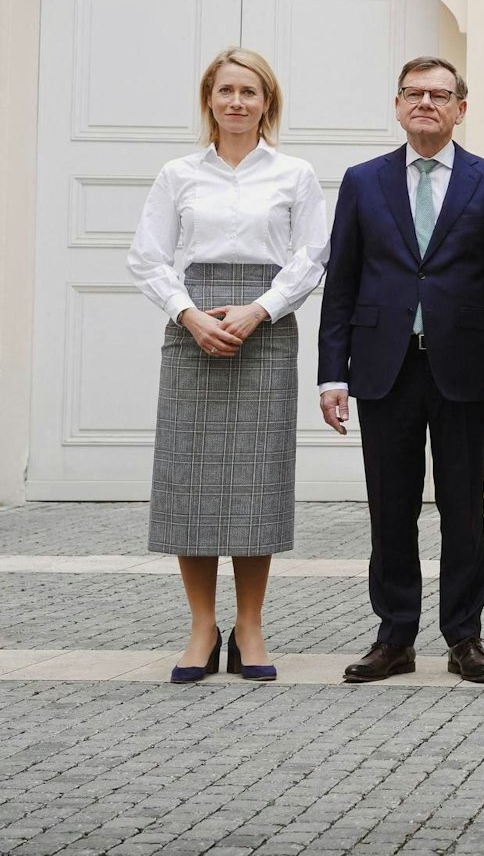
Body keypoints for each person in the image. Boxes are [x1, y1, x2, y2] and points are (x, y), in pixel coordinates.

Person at [128, 47, 327, 683]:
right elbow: (148, 257)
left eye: (250, 92)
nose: (237, 102)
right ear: (208, 100)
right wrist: (189, 313)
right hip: (193, 328)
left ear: (267, 103)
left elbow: (311, 257)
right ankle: (199, 628)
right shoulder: (178, 174)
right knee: (191, 478)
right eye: (226, 91)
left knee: (255, 477)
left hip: (264, 331)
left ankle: (249, 627)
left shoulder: (294, 174)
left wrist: (259, 310)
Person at [318, 56, 484, 685]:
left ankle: (465, 637)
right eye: (414, 94)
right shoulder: (363, 180)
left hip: (464, 369)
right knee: (391, 508)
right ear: (398, 105)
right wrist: (332, 374)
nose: (426, 104)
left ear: (461, 107)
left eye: (440, 95)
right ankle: (394, 637)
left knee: (464, 510)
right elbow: (341, 281)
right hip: (384, 369)